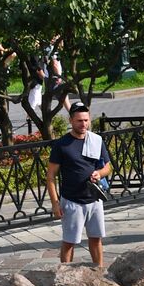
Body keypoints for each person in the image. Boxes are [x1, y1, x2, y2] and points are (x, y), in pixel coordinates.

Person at [46, 103, 112, 268]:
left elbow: (108, 167)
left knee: (96, 238)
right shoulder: (61, 144)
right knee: (69, 241)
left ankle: (100, 271)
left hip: (94, 199)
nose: (83, 124)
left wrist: (100, 173)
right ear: (71, 121)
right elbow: (51, 176)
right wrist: (55, 203)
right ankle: (65, 274)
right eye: (79, 121)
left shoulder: (96, 140)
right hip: (72, 201)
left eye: (86, 120)